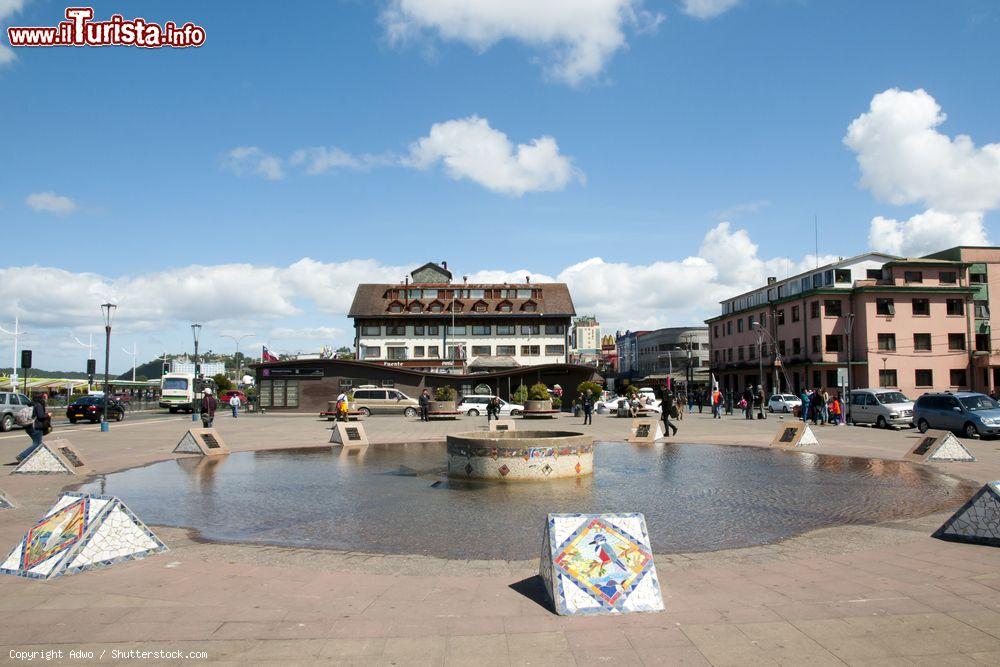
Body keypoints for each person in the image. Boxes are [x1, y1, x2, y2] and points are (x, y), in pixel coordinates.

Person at [16, 394, 49, 462]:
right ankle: (22, 456)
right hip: (35, 427)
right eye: (44, 398)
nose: (45, 399)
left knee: (37, 443)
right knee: (37, 443)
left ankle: (33, 456)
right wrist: (47, 415)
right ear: (41, 399)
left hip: (28, 426)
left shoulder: (32, 405)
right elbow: (40, 416)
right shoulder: (38, 406)